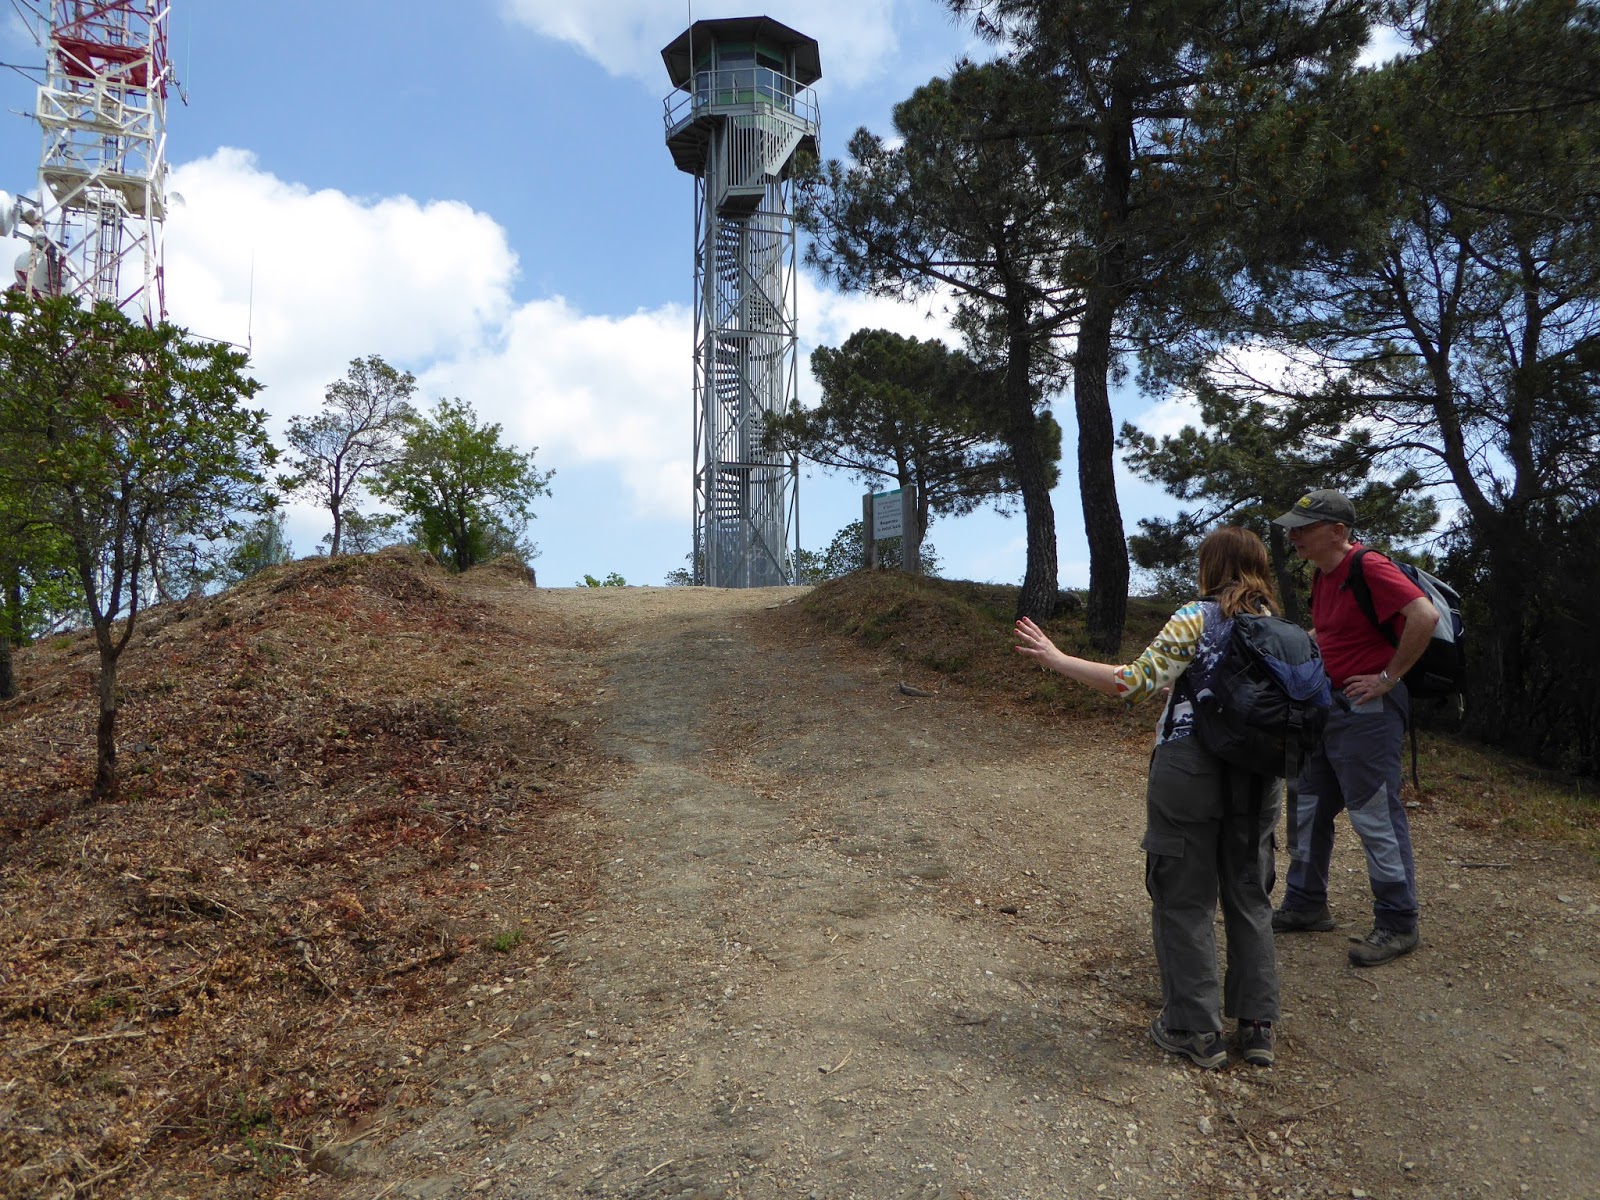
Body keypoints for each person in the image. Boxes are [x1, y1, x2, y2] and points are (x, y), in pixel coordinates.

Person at [1014, 526, 1283, 1070]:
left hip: (1191, 770)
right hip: (1262, 776)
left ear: (1212, 567)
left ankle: (1194, 1028)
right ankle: (1256, 1028)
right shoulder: (1281, 630)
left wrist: (1055, 657)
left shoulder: (1197, 616)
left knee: (1183, 896)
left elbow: (1130, 683)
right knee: (1249, 894)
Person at [1269, 488, 1440, 967]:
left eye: (1304, 527)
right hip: (1328, 708)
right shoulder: (1325, 578)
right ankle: (1305, 904)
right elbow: (1334, 633)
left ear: (1337, 531)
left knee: (1374, 813)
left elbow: (1422, 615)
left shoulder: (1370, 567)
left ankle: (1398, 921)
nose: (1294, 535)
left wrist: (1388, 678)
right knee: (1306, 804)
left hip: (1367, 713)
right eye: (1293, 527)